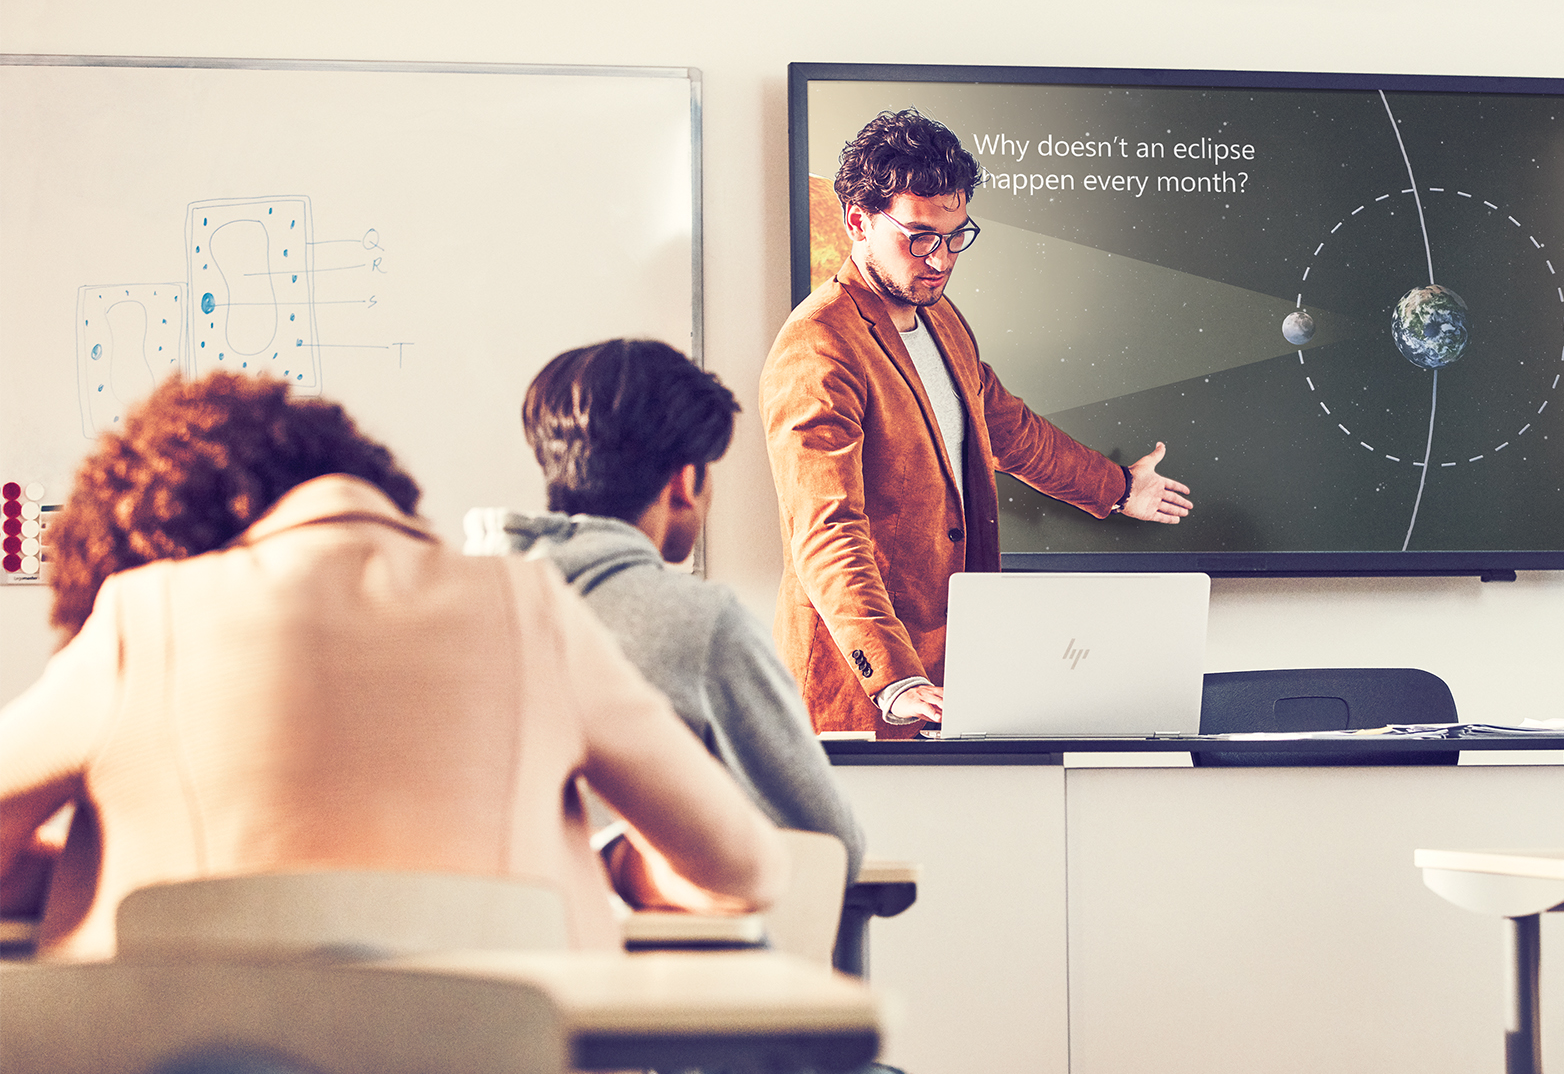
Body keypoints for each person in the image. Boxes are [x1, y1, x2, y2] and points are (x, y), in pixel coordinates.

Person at [0, 371, 787, 959]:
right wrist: (620, 871)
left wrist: (82, 877)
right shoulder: (531, 608)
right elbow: (745, 867)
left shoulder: (147, 613)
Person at [760, 108, 1194, 736]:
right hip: (861, 693)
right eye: (918, 236)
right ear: (856, 221)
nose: (940, 259)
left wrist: (1119, 488)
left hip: (954, 668)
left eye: (956, 234)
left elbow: (1009, 429)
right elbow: (826, 531)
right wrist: (893, 679)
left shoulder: (938, 316)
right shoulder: (818, 347)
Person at [467, 337, 878, 970]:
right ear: (687, 482)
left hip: (486, 1005)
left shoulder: (457, 608)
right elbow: (833, 847)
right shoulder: (701, 624)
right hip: (668, 1024)